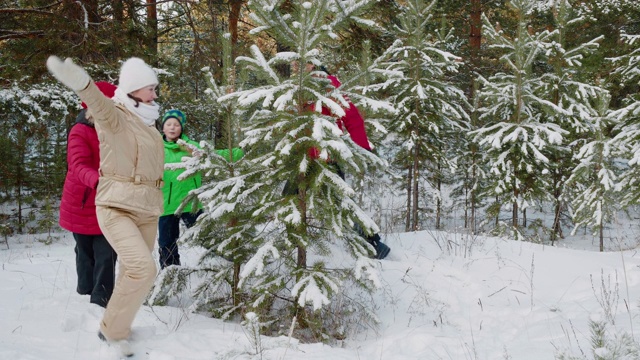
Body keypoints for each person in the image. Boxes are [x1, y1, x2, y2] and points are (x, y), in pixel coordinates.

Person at [47, 56, 164, 356]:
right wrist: (81, 82)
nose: (155, 93)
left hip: (147, 209)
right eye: (150, 88)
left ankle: (114, 328)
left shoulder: (150, 124)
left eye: (154, 88)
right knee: (143, 268)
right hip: (116, 205)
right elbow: (97, 104)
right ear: (134, 89)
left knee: (130, 272)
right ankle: (109, 330)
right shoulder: (115, 117)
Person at [311, 65, 391, 259]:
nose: (300, 67)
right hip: (302, 158)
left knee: (342, 202)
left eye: (307, 65)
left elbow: (353, 119)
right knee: (290, 198)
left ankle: (372, 244)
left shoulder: (331, 89)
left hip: (328, 157)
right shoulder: (298, 90)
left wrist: (361, 149)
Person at [159, 109, 244, 268]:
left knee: (206, 235)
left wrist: (241, 151)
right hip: (166, 205)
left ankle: (231, 258)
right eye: (168, 124)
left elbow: (216, 155)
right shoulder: (156, 148)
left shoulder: (192, 147)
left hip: (191, 202)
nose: (172, 127)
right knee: (167, 243)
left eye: (176, 124)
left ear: (182, 128)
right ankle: (170, 274)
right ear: (163, 128)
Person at [59, 81, 118, 308]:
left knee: (106, 254)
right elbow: (78, 164)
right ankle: (84, 295)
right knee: (85, 254)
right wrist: (98, 180)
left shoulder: (117, 132)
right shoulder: (80, 130)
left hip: (109, 202)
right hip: (82, 203)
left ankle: (100, 302)